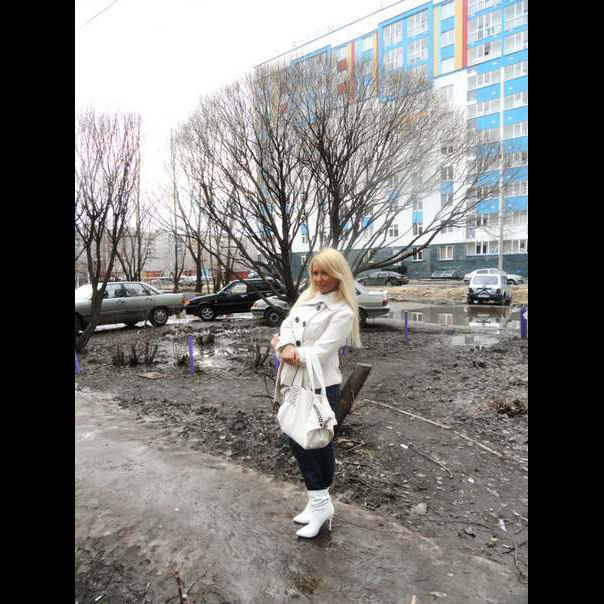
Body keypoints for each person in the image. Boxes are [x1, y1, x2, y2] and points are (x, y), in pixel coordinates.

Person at [271, 248, 361, 538]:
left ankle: (321, 503)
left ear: (338, 275)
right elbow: (287, 323)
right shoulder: (307, 297)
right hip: (295, 380)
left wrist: (287, 352)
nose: (319, 278)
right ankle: (317, 502)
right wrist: (285, 345)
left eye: (325, 273)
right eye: (315, 272)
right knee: (296, 436)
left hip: (321, 384)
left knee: (315, 442)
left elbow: (322, 352)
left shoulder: (342, 312)